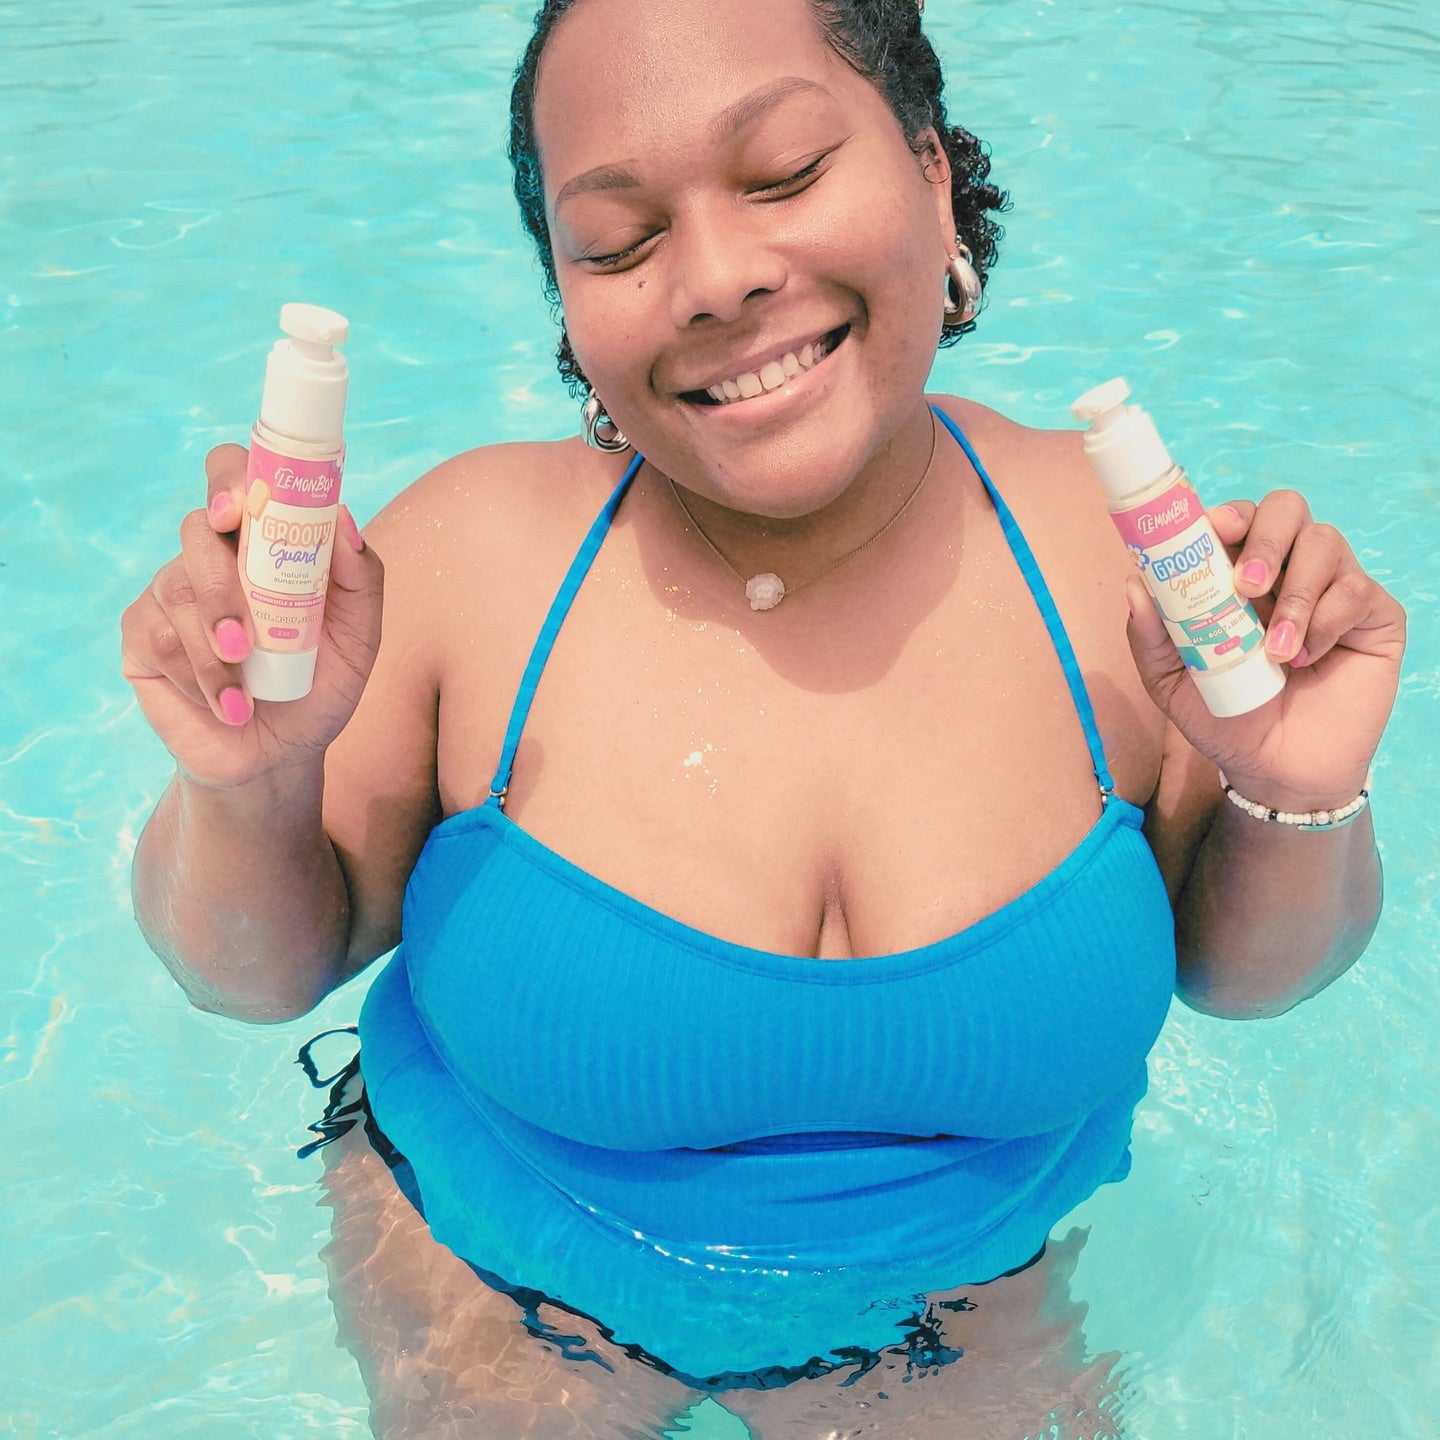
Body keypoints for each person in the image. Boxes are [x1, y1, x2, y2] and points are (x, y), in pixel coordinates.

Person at [121, 0, 1405, 1435]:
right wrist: (246, 780)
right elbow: (244, 974)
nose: (717, 278)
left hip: (951, 1319)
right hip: (489, 1276)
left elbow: (1256, 979)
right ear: (565, 296)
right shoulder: (470, 561)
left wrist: (1293, 789)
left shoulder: (1122, 567)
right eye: (617, 243)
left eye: (786, 173)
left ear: (930, 169)